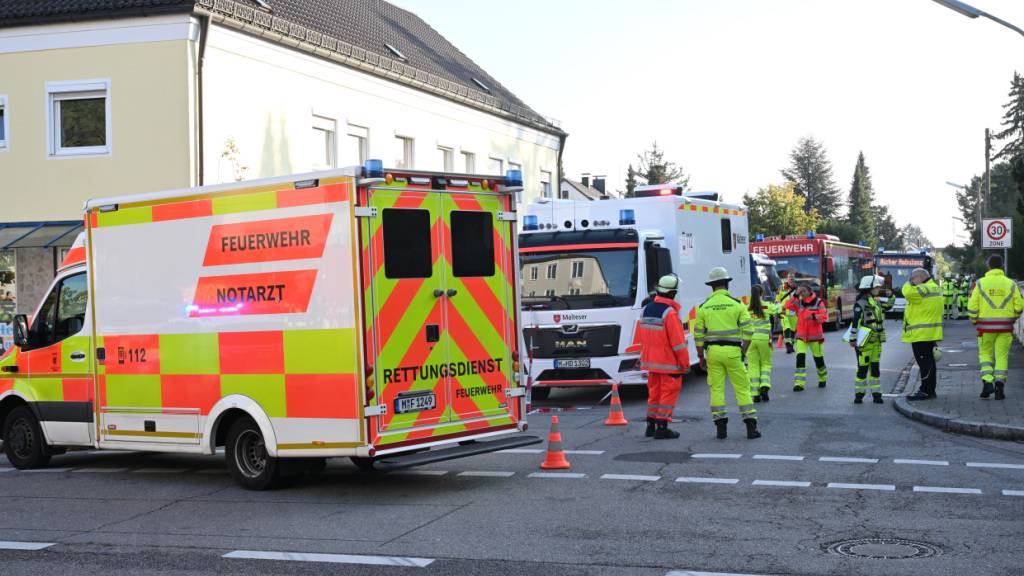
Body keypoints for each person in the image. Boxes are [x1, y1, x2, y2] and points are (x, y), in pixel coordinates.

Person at [693, 267, 760, 440]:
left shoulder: (703, 307)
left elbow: (698, 336)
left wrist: (700, 357)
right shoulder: (737, 305)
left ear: (711, 286)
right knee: (742, 389)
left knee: (716, 389)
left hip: (713, 353)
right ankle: (751, 428)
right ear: (727, 284)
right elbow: (749, 331)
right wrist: (743, 350)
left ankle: (721, 429)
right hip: (733, 351)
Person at [637, 274, 690, 439]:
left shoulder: (646, 310)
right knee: (668, 394)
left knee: (654, 394)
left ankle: (651, 425)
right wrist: (685, 364)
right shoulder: (670, 313)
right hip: (668, 363)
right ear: (673, 293)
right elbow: (678, 344)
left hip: (651, 362)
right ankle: (662, 427)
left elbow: (643, 337)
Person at [967, 254, 1023, 400]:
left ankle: (987, 383)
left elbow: (972, 307)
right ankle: (999, 387)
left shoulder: (980, 283)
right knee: (1001, 356)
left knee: (985, 355)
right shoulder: (1011, 284)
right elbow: (1019, 306)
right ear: (1002, 266)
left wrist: (974, 320)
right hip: (1005, 328)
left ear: (988, 266)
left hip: (985, 328)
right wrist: (1013, 318)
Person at [848, 275, 893, 404]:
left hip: (876, 341)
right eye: (876, 287)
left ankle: (877, 395)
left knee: (875, 369)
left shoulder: (876, 302)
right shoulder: (860, 304)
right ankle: (859, 395)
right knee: (862, 369)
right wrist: (852, 338)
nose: (878, 288)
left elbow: (888, 306)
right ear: (869, 288)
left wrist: (891, 296)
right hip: (865, 343)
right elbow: (855, 322)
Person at [902, 267, 944, 401]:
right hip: (929, 332)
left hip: (921, 334)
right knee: (929, 363)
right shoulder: (934, 287)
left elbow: (907, 292)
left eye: (913, 278)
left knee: (924, 363)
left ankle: (925, 391)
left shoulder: (924, 288)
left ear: (920, 277)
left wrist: (908, 283)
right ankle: (930, 390)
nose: (912, 281)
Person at [784, 282, 828, 390]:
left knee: (818, 359)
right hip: (801, 336)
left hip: (815, 337)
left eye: (803, 291)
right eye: (800, 291)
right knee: (800, 358)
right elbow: (787, 306)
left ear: (809, 291)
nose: (801, 293)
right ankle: (799, 383)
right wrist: (795, 294)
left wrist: (813, 317)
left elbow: (824, 316)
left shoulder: (818, 302)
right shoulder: (799, 302)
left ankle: (822, 377)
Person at [746, 284, 778, 403]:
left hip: (750, 340)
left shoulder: (747, 308)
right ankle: (764, 385)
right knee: (765, 364)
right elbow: (779, 310)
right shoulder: (766, 305)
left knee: (753, 366)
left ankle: (755, 393)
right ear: (762, 294)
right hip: (764, 339)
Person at [775, 275, 798, 354]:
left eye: (792, 278)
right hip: (784, 312)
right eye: (790, 278)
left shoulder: (797, 289)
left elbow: (800, 300)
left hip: (793, 313)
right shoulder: (781, 288)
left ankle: (791, 345)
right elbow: (777, 300)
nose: (791, 279)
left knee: (793, 330)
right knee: (786, 328)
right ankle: (788, 347)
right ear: (787, 279)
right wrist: (778, 311)